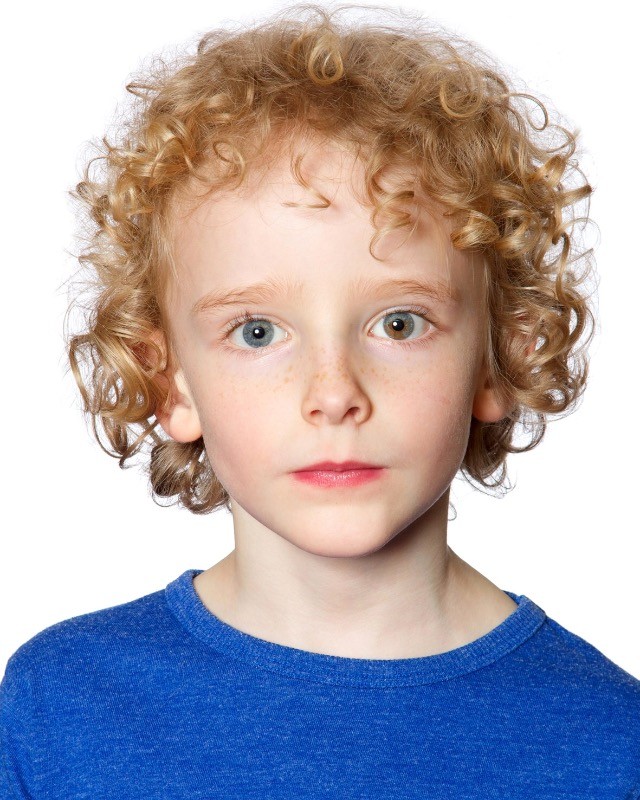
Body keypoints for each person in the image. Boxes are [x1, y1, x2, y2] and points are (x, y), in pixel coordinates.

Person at [1, 3, 638, 797]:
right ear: (169, 382)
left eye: (399, 323)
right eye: (258, 332)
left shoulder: (612, 745)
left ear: (497, 358)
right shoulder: (62, 710)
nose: (334, 396)